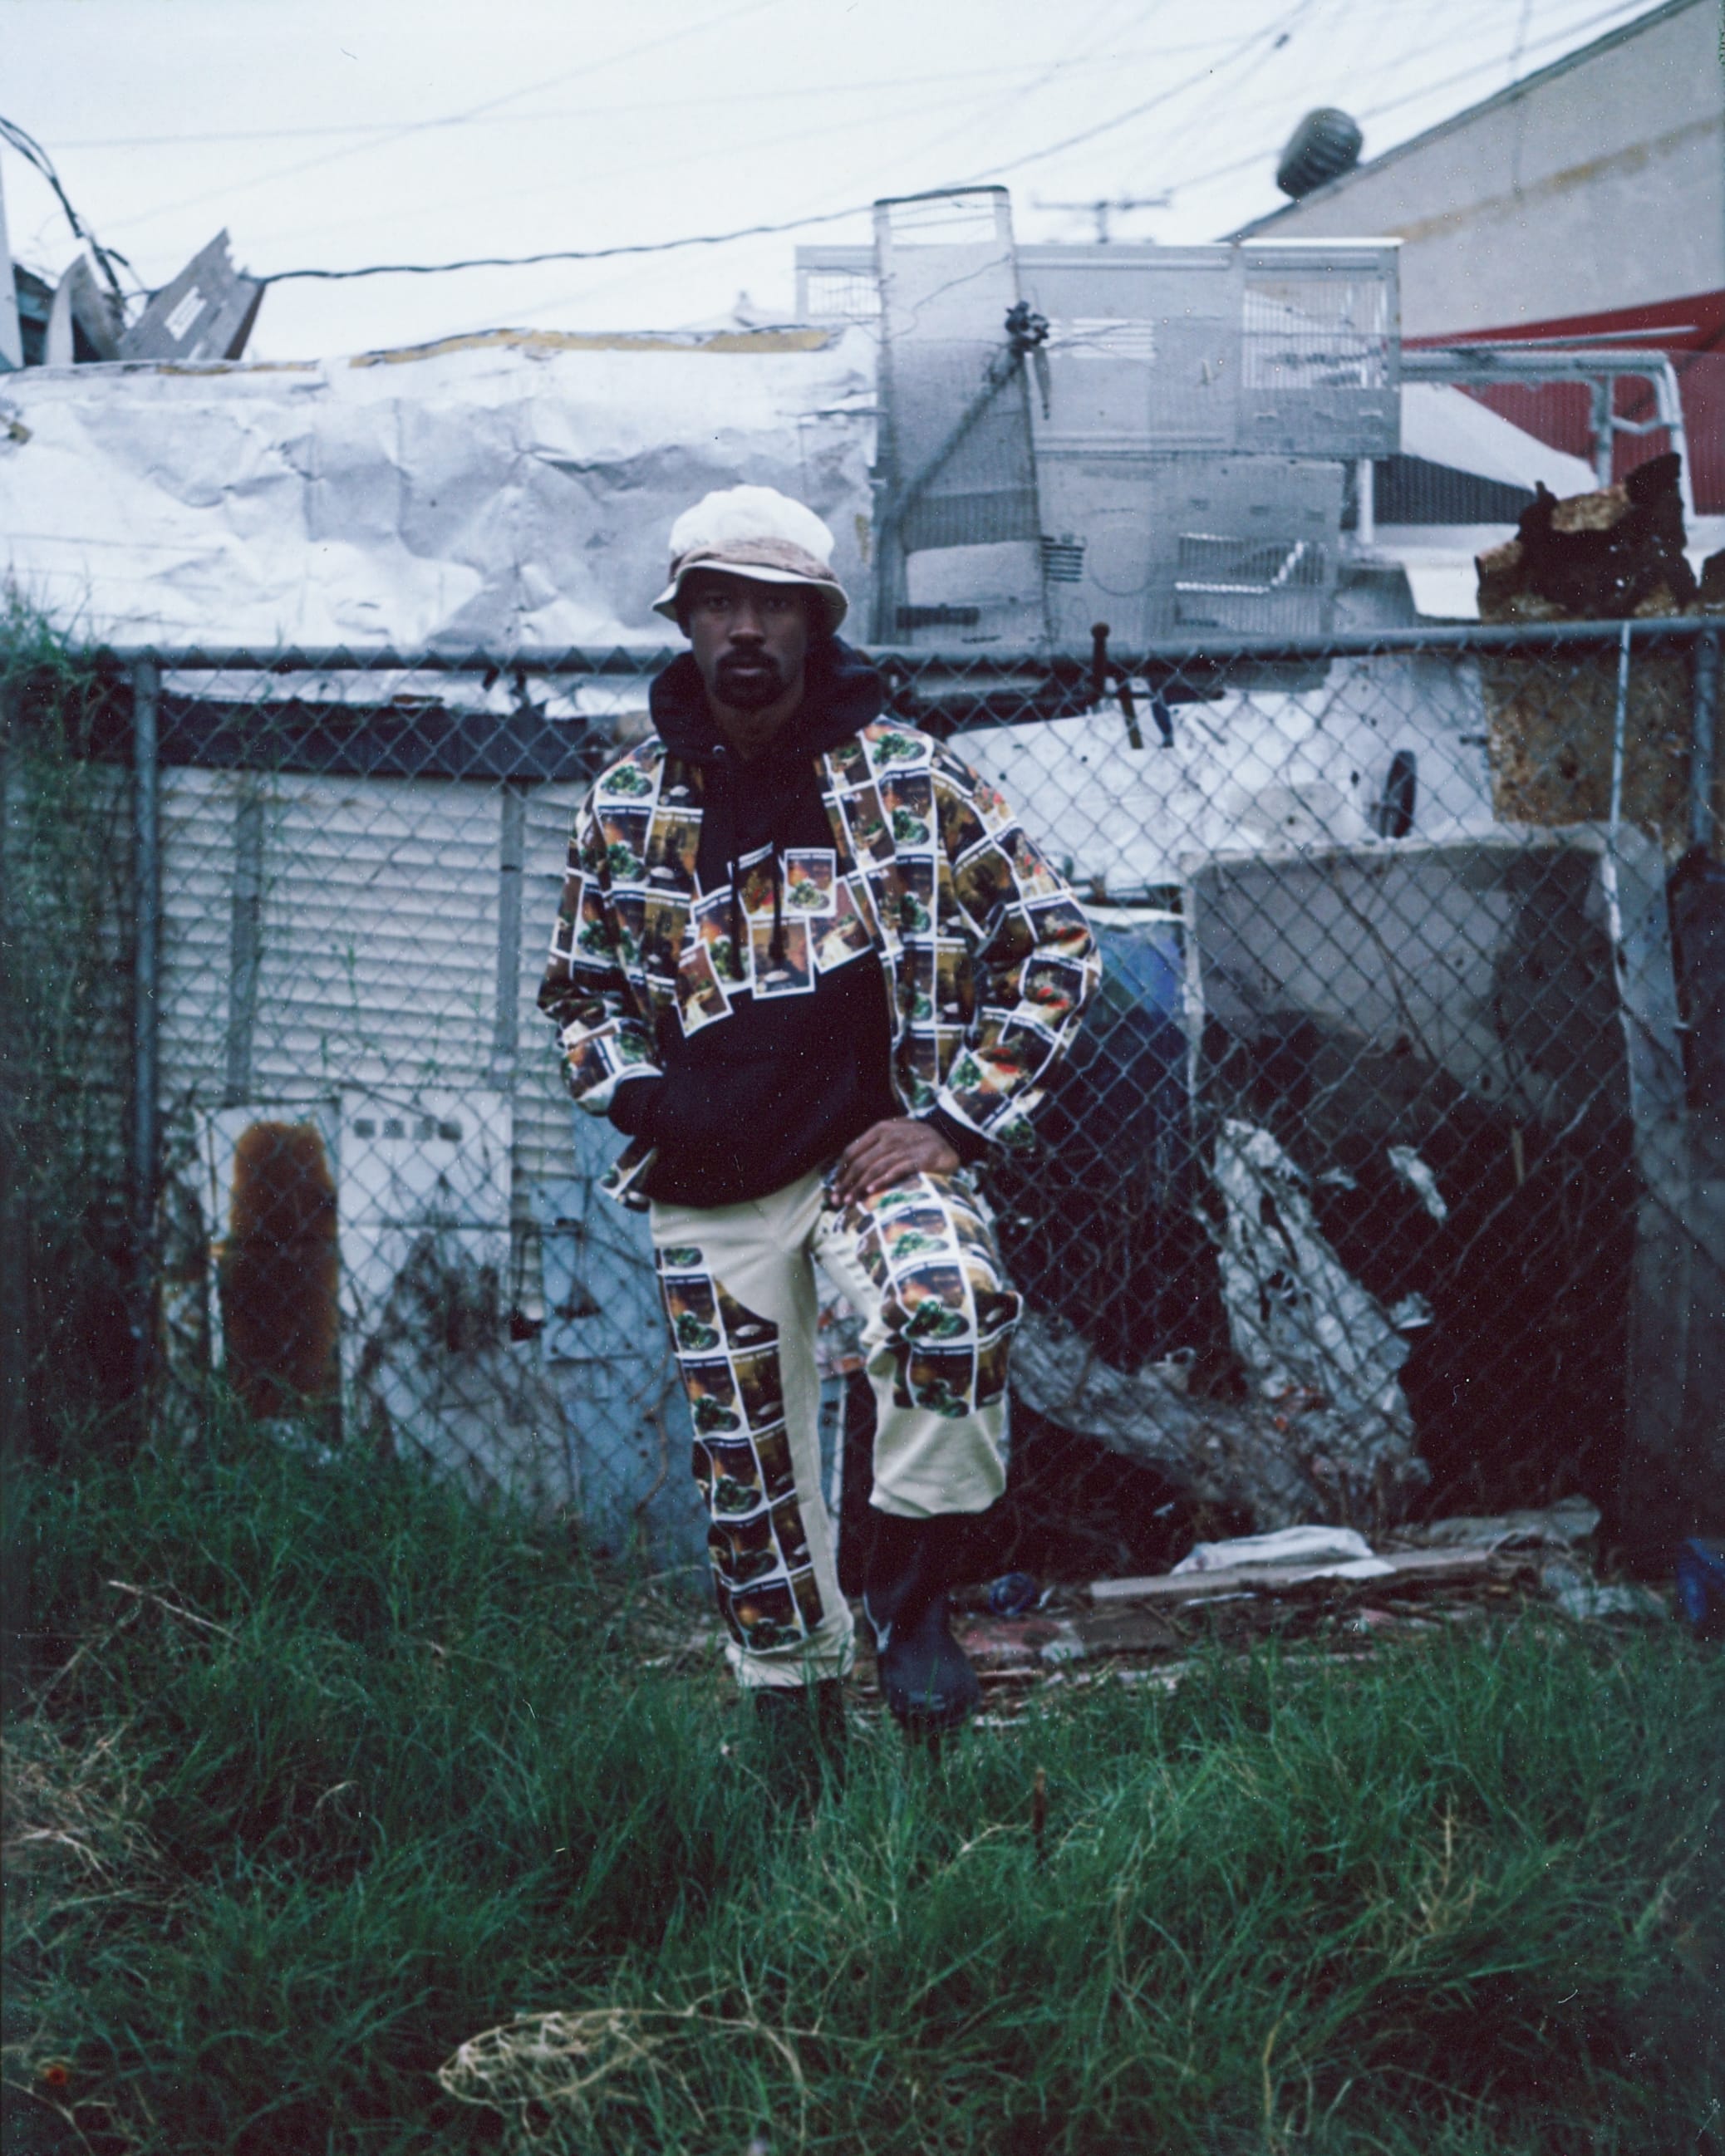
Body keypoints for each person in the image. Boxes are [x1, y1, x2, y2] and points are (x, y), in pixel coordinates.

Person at [538, 485, 1098, 1757]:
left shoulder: (908, 776)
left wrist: (957, 1119)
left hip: (872, 1159)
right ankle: (797, 1755)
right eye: (719, 602)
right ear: (685, 623)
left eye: (771, 605)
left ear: (814, 623)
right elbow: (579, 992)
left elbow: (1056, 943)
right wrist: (646, 1096)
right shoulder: (627, 800)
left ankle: (911, 1601)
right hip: (709, 1178)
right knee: (751, 1478)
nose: (745, 629)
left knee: (948, 1304)